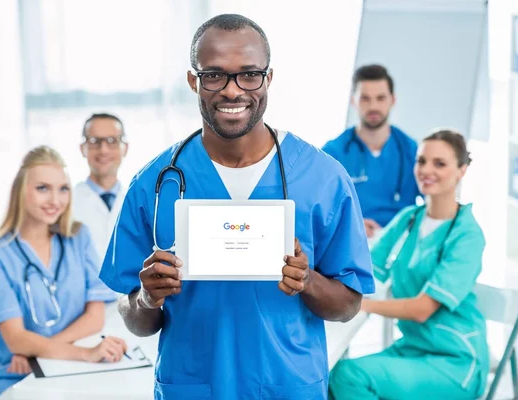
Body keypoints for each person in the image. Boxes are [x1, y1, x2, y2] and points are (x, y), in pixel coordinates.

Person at [99, 13, 375, 400]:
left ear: (268, 78)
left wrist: (308, 281)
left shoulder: (324, 178)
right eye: (214, 75)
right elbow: (137, 320)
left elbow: (348, 305)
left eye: (249, 74)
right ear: (194, 80)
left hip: (287, 386)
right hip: (192, 386)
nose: (232, 91)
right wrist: (147, 297)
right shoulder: (154, 184)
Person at [328, 129, 489, 400]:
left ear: (462, 170)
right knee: (329, 375)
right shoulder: (409, 219)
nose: (427, 170)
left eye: (440, 164)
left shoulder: (467, 235)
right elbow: (365, 269)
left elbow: (422, 309)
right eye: (422, 161)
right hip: (413, 349)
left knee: (348, 377)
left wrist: (358, 305)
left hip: (454, 362)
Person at [0, 146, 128, 400]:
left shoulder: (78, 238)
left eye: (63, 189)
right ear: (21, 192)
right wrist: (87, 353)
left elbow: (95, 317)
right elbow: (16, 339)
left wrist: (39, 352)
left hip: (57, 361)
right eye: (43, 188)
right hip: (10, 368)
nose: (55, 200)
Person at [322, 64, 420, 239]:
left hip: (399, 243)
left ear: (393, 100)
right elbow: (317, 205)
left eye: (380, 98)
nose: (373, 106)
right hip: (349, 241)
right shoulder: (333, 153)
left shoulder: (411, 151)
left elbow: (435, 200)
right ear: (354, 101)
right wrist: (351, 223)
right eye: (365, 98)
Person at [73, 113, 129, 263]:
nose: (103, 150)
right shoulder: (66, 203)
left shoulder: (138, 201)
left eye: (112, 141)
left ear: (125, 148)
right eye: (94, 141)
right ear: (82, 148)